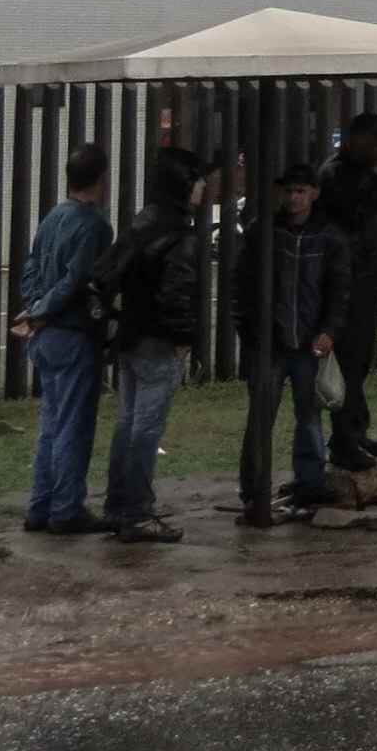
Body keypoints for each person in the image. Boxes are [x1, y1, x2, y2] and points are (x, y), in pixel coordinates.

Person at [92, 146, 217, 545]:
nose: (202, 186)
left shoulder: (142, 221)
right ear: (184, 184)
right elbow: (178, 291)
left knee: (128, 425)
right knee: (147, 429)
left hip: (131, 333)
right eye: (197, 179)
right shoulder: (179, 231)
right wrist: (183, 338)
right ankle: (138, 513)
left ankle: (117, 506)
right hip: (160, 340)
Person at [224, 162, 351, 512]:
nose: (293, 198)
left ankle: (308, 482)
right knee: (263, 416)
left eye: (300, 191)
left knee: (309, 413)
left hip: (307, 340)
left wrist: (329, 331)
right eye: (289, 191)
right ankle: (253, 486)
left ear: (314, 193)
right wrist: (250, 332)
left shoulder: (328, 236)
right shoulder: (263, 232)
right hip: (273, 342)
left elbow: (339, 289)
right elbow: (242, 285)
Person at [11, 143, 115, 536]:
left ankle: (40, 504)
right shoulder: (96, 225)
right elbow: (77, 281)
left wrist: (34, 306)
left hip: (44, 335)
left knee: (51, 422)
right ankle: (67, 507)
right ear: (102, 179)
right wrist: (44, 309)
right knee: (74, 423)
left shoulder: (53, 216)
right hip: (71, 331)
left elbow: (32, 266)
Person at [317, 111, 377, 470]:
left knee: (360, 359)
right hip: (348, 279)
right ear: (359, 141)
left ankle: (355, 431)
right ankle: (344, 439)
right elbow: (359, 211)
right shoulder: (336, 173)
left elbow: (375, 202)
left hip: (365, 275)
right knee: (349, 360)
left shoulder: (357, 172)